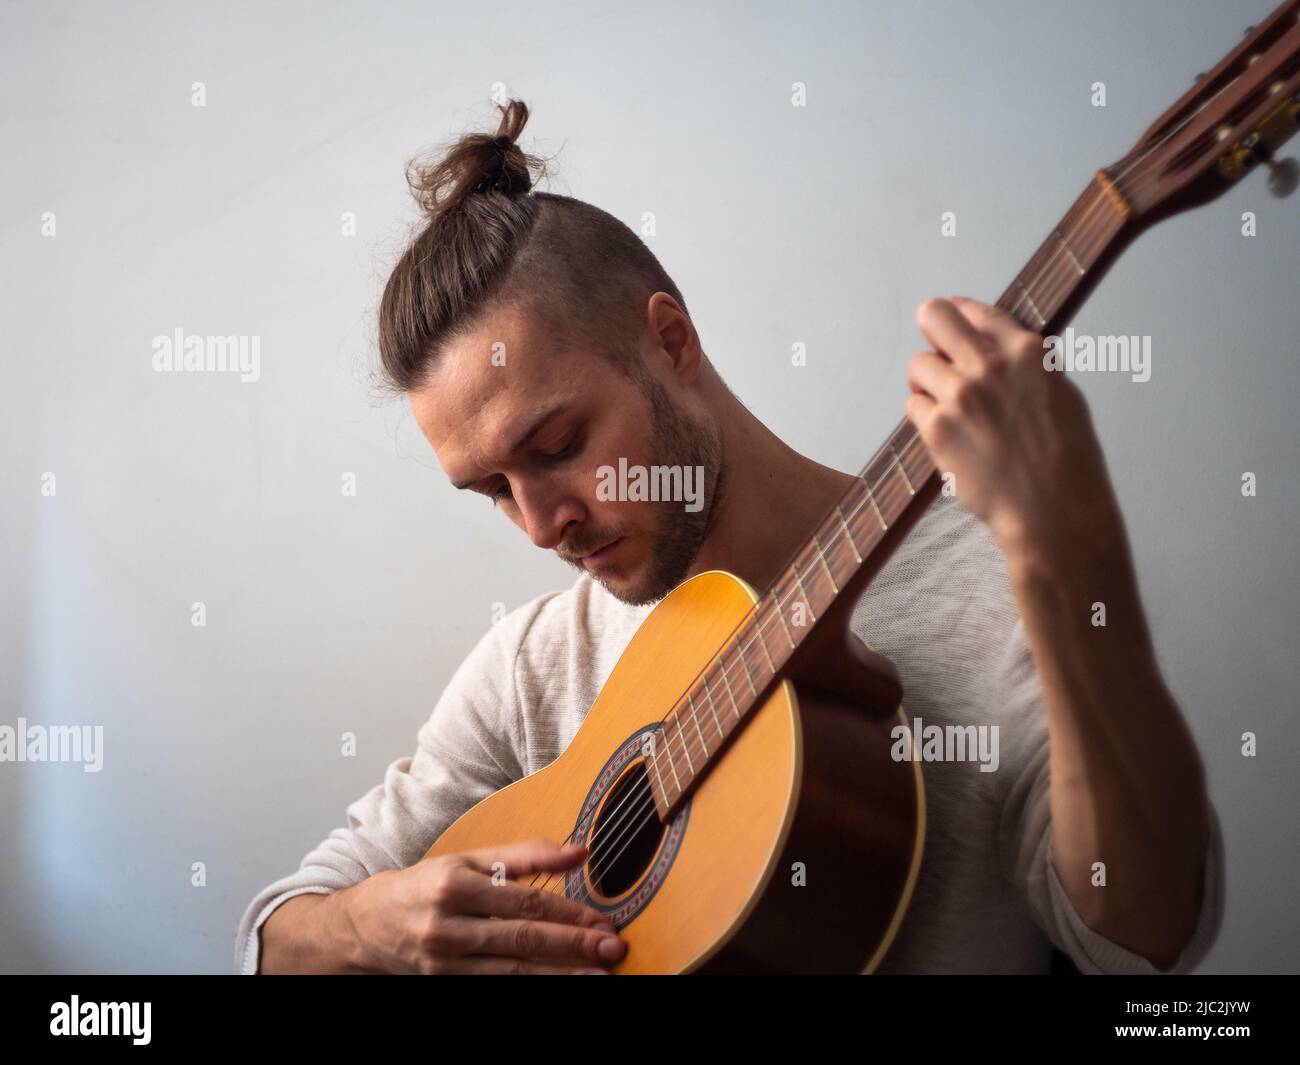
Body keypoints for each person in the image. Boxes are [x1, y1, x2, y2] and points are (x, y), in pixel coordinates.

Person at [235, 100, 1223, 974]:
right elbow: (272, 939)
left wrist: (1069, 550)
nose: (540, 525)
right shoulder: (535, 666)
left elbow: (1142, 937)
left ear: (671, 342)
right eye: (491, 489)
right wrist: (378, 931)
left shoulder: (1000, 594)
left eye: (558, 445)